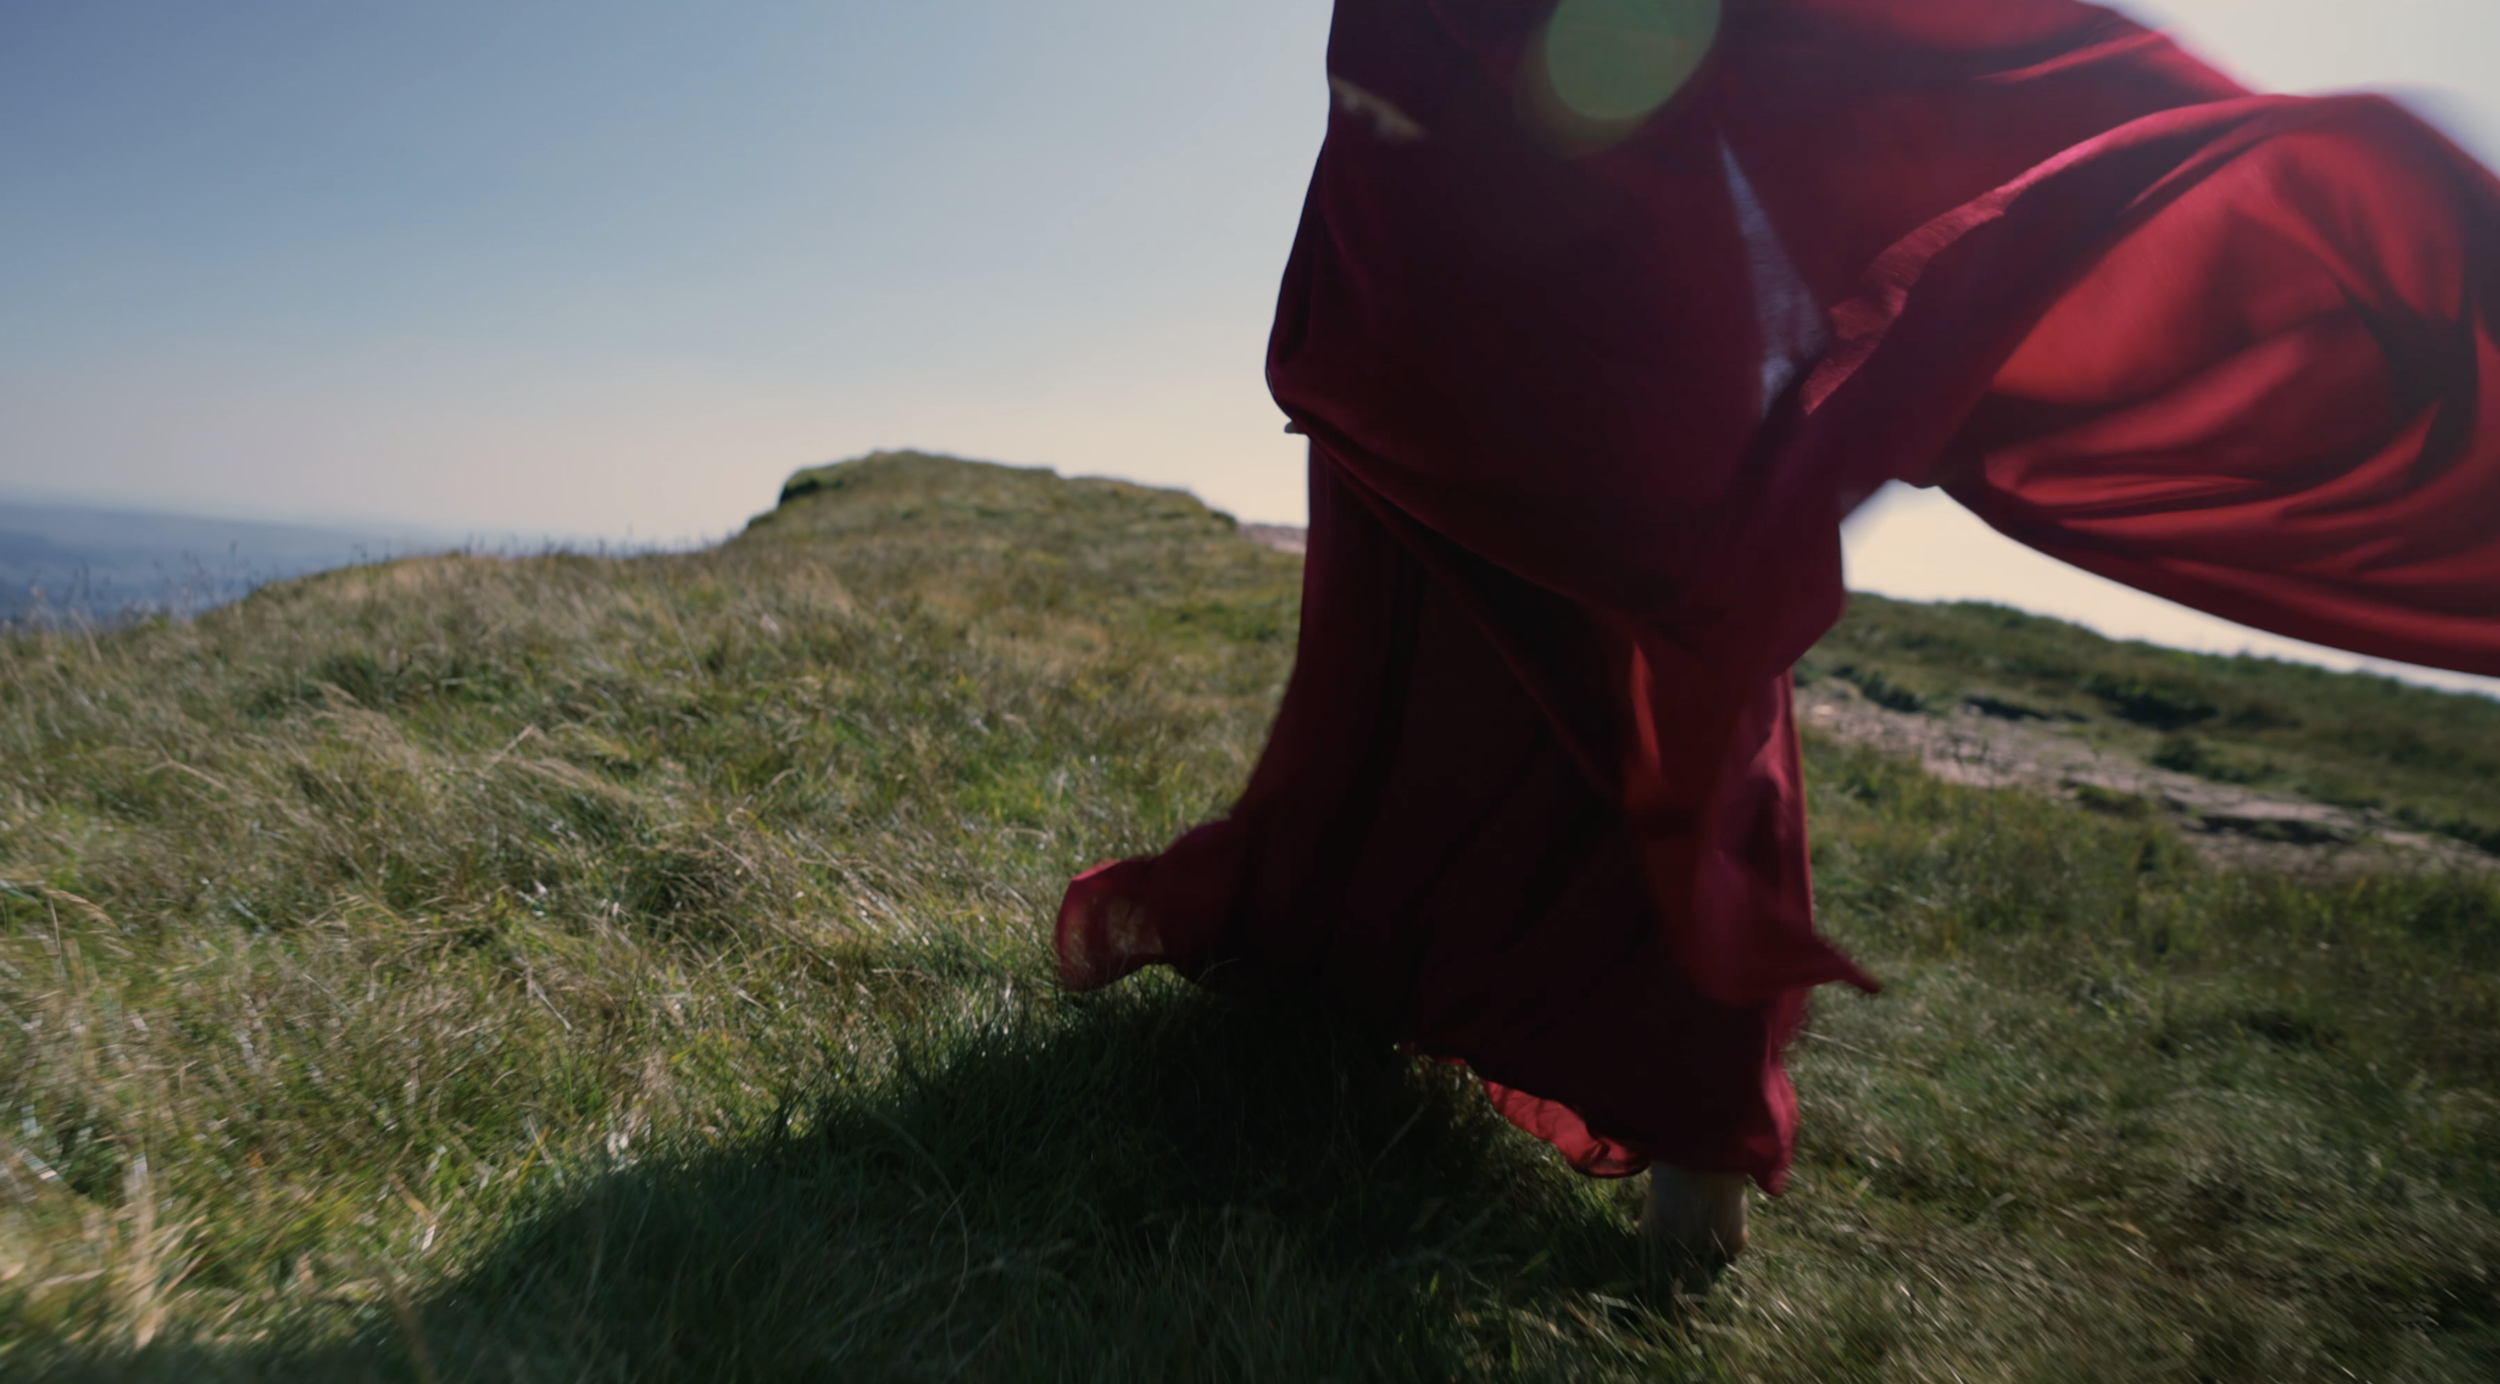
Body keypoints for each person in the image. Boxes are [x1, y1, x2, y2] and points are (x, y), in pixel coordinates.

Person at [1055, 0, 2500, 1276]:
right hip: (1449, 266)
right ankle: (1474, 1029)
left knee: (1638, 664)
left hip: (1513, 282)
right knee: (1488, 662)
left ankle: (1676, 1132)